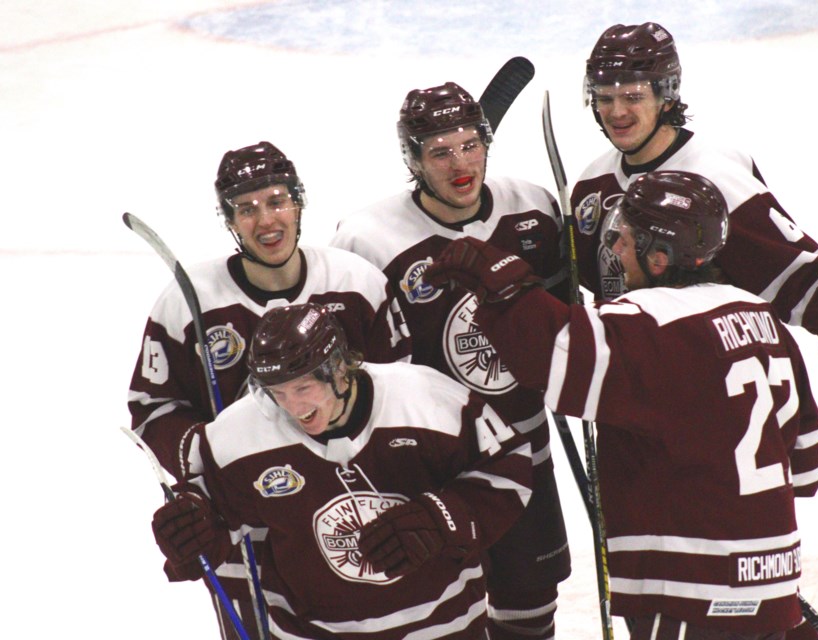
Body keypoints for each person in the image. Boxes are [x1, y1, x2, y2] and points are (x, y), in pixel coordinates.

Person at [424, 171, 818, 640]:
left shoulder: (648, 323)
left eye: (625, 238)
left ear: (659, 258)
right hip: (774, 587)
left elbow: (554, 356)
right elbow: (808, 465)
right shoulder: (761, 316)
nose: (614, 249)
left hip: (687, 595)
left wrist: (502, 281)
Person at [127, 141, 411, 638]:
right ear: (229, 221)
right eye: (246, 209)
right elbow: (153, 409)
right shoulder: (188, 302)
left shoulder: (356, 283)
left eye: (278, 200)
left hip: (350, 505)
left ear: (299, 203)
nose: (266, 220)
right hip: (242, 520)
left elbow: (400, 393)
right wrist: (213, 458)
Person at [330, 82, 571, 640]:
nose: (460, 164)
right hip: (428, 462)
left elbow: (564, 325)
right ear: (412, 160)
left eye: (470, 145)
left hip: (523, 445)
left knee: (530, 607)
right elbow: (354, 368)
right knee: (437, 615)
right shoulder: (368, 239)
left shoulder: (534, 206)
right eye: (440, 152)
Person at [570, 22, 818, 430]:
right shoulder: (591, 186)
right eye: (605, 97)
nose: (616, 112)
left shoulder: (713, 178)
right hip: (630, 398)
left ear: (665, 94)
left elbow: (807, 274)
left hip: (707, 395)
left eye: (632, 96)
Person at [150, 303, 533, 639]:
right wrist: (192, 529)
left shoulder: (427, 400)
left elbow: (510, 467)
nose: (292, 408)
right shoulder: (239, 432)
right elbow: (214, 512)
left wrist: (442, 517)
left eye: (302, 388)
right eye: (276, 392)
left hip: (445, 628)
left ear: (337, 369)